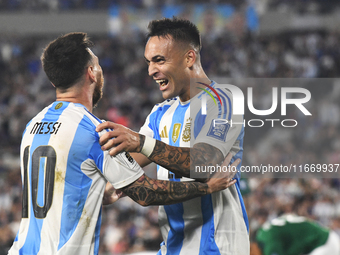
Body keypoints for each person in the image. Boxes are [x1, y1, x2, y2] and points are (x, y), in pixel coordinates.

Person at [8, 32, 240, 255]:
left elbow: (133, 167)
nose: (151, 71)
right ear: (91, 73)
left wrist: (108, 189)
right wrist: (206, 188)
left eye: (158, 60)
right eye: (98, 66)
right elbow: (145, 192)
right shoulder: (95, 130)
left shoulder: (32, 125)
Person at [97, 17, 249, 254]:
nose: (150, 71)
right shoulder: (161, 112)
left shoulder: (223, 100)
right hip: (172, 246)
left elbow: (203, 163)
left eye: (159, 60)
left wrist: (140, 141)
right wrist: (106, 184)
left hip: (216, 245)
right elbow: (128, 161)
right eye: (148, 62)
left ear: (189, 58)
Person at [252, 214, 340, 255]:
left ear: (253, 246)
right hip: (322, 241)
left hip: (325, 243)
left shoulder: (270, 243)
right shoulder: (263, 235)